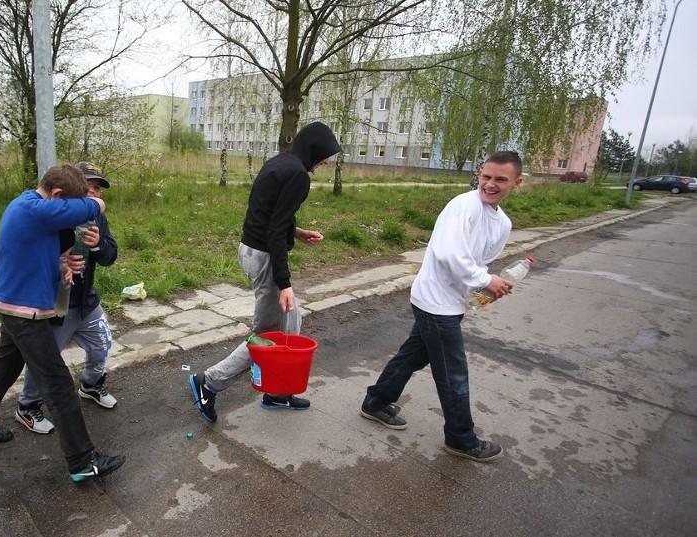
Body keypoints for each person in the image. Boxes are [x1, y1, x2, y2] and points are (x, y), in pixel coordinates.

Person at [0, 164, 125, 483]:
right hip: (26, 312)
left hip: (14, 304)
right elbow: (92, 206)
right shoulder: (35, 209)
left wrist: (63, 262)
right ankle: (82, 461)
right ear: (58, 196)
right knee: (59, 384)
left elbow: (35, 252)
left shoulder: (27, 205)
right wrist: (97, 203)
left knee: (4, 367)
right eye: (69, 207)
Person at [359, 150, 525, 463]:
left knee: (412, 355)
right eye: (485, 176)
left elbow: (477, 263)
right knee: (453, 373)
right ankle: (461, 438)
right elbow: (450, 255)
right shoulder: (463, 206)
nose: (489, 184)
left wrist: (484, 288)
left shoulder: (501, 222)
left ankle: (376, 402)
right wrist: (483, 279)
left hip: (451, 301)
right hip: (434, 301)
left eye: (500, 179)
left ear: (516, 183)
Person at [189, 121, 340, 423]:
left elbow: (269, 214)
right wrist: (284, 283)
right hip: (265, 256)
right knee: (266, 337)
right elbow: (273, 230)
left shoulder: (280, 162)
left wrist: (296, 232)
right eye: (324, 155)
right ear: (313, 150)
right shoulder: (298, 175)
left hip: (252, 249)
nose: (325, 162)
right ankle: (209, 382)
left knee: (290, 326)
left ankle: (277, 390)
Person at [15, 162, 119, 435]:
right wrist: (61, 263)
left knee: (102, 345)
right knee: (46, 361)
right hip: (56, 304)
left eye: (98, 190)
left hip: (86, 301)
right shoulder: (51, 215)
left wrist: (98, 244)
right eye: (89, 189)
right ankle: (27, 405)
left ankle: (90, 384)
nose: (95, 195)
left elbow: (110, 256)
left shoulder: (96, 218)